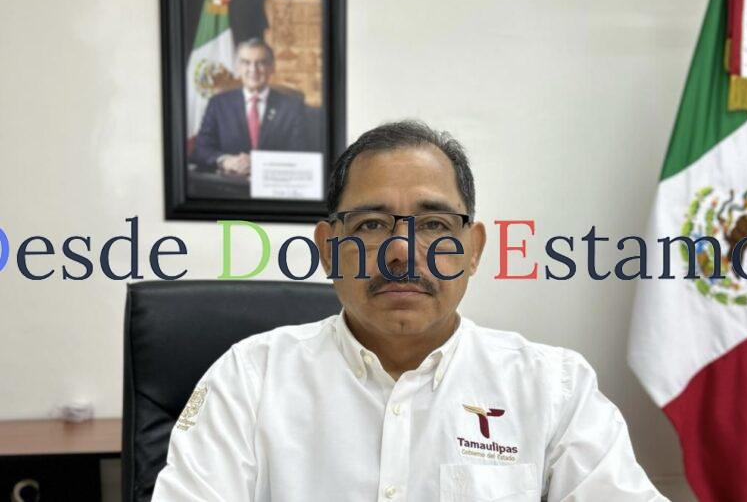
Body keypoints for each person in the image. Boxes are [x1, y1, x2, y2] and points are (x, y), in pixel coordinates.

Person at [152, 121, 669, 501]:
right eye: (371, 224)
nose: (400, 251)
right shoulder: (250, 378)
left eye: (435, 226)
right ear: (328, 248)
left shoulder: (553, 388)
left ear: (472, 250)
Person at [190, 38, 308, 176]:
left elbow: (300, 154)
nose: (253, 70)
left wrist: (259, 162)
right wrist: (225, 161)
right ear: (238, 68)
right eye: (246, 63)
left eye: (261, 63)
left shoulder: (292, 107)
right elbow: (201, 149)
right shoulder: (218, 104)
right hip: (228, 184)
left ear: (272, 68)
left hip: (274, 183)